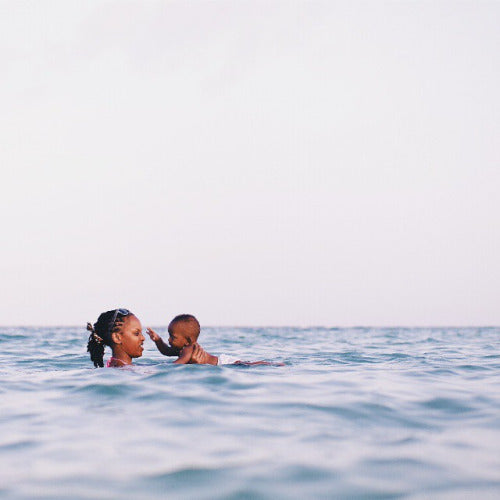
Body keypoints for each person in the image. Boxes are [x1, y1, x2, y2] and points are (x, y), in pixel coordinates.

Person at [86, 308, 209, 367]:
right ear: (117, 337)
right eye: (136, 333)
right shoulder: (121, 369)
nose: (143, 338)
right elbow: (168, 369)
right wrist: (188, 363)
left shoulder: (119, 365)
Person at [147, 314, 279, 365]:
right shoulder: (182, 348)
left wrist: (162, 368)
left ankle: (270, 364)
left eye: (173, 337)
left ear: (187, 340)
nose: (169, 340)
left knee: (246, 365)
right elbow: (167, 352)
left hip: (223, 362)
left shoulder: (189, 348)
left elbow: (178, 364)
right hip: (220, 361)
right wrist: (158, 340)